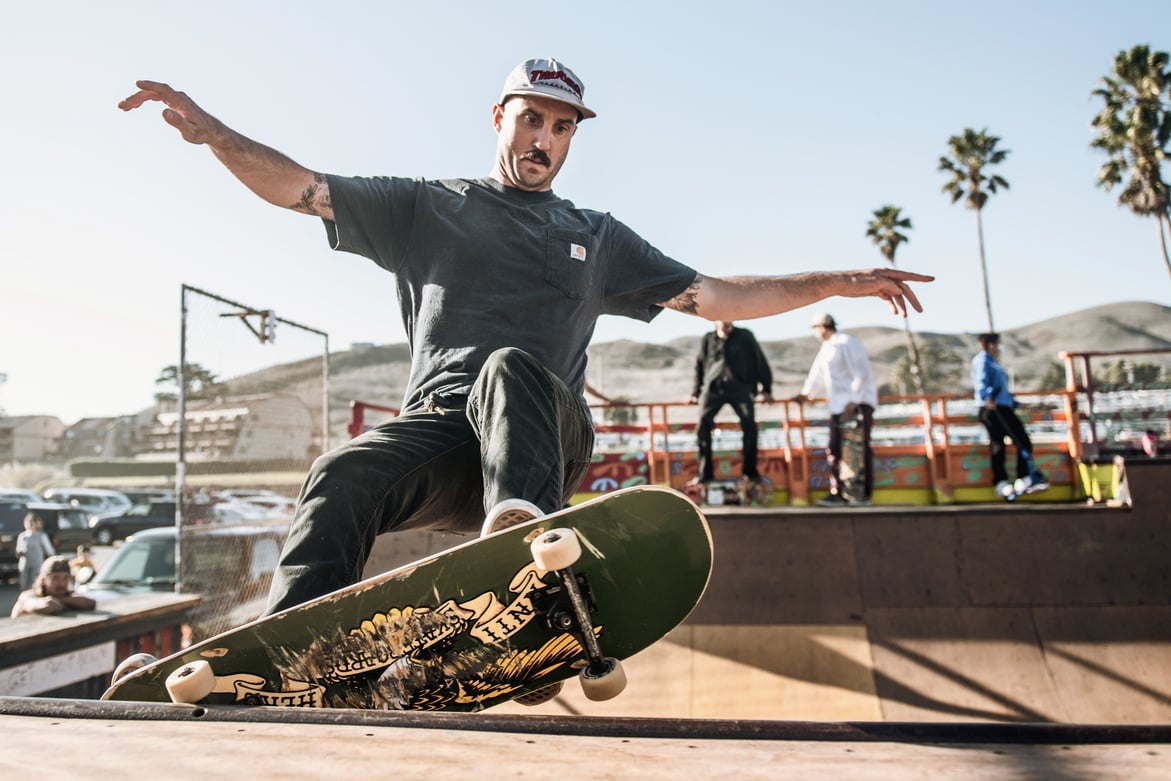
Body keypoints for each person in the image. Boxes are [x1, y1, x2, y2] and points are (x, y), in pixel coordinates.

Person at [118, 58, 931, 619]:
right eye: (532, 119)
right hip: (445, 442)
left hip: (546, 434)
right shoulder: (426, 206)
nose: (545, 138)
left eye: (562, 127)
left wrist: (832, 282)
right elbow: (300, 188)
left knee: (510, 368)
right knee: (341, 472)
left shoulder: (597, 234)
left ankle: (533, 560)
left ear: (573, 136)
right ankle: (292, 644)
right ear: (500, 118)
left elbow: (715, 295)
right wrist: (217, 134)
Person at [793, 313, 878, 505]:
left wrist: (855, 399)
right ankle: (839, 492)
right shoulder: (827, 348)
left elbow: (862, 371)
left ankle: (860, 495)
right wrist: (806, 394)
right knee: (836, 449)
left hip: (855, 406)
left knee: (856, 450)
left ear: (823, 327)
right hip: (839, 406)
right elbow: (817, 375)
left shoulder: (846, 342)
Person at [687, 321, 774, 489]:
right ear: (715, 321)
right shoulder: (708, 338)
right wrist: (695, 392)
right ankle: (705, 474)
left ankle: (750, 472)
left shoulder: (744, 336)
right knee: (703, 425)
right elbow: (700, 364)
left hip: (740, 387)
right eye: (721, 319)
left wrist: (766, 388)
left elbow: (759, 360)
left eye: (729, 318)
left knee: (749, 424)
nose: (725, 322)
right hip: (714, 388)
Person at [971, 333, 1049, 498]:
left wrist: (1017, 404)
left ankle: (1024, 478)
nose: (1000, 348)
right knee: (999, 445)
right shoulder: (983, 360)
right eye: (998, 344)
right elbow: (981, 382)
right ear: (991, 345)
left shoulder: (994, 363)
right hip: (992, 409)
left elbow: (1002, 390)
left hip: (1003, 407)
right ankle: (1001, 483)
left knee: (1022, 440)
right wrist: (986, 398)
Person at [10, 555, 97, 618]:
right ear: (44, 579)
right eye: (55, 578)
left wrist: (62, 601)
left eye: (65, 578)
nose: (61, 583)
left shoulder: (67, 595)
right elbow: (49, 606)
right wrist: (67, 603)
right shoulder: (28, 596)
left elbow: (90, 603)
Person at [15, 512, 55, 591]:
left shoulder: (41, 536)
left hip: (37, 565)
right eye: (27, 522)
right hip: (25, 564)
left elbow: (50, 551)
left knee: (34, 585)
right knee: (24, 586)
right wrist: (19, 553)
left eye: (31, 522)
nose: (29, 525)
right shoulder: (22, 536)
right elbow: (18, 550)